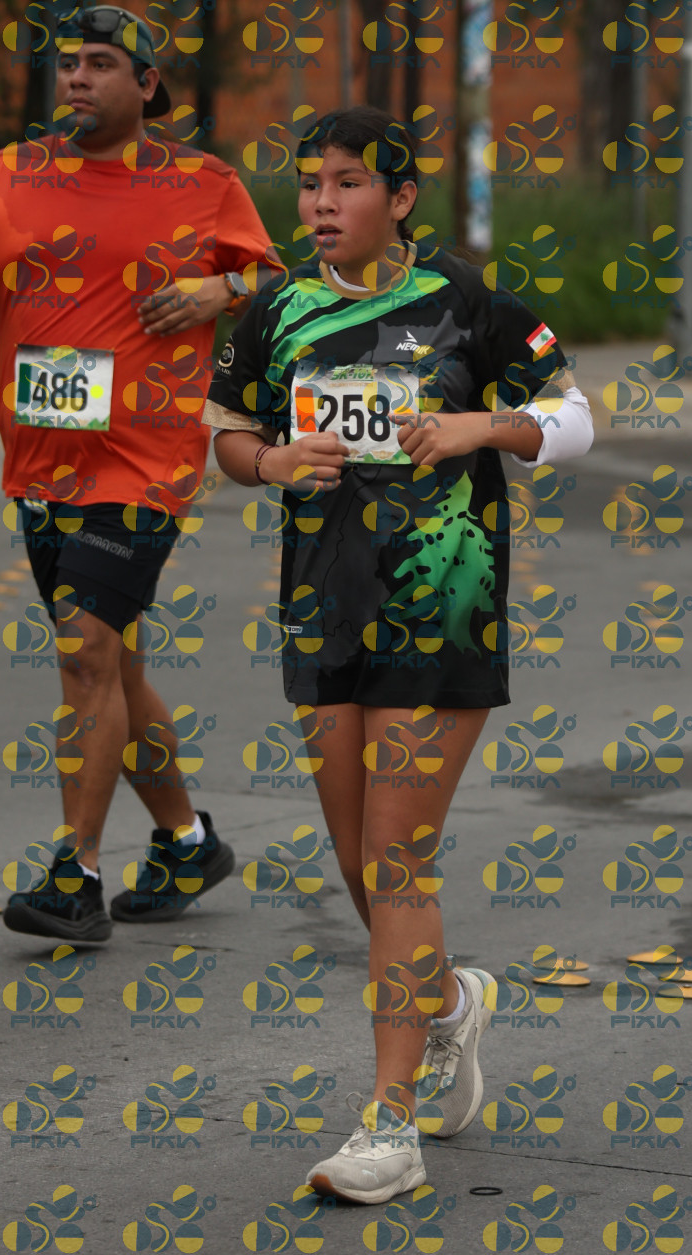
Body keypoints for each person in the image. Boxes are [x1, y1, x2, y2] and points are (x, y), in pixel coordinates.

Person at [203, 106, 593, 1204]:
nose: (321, 203)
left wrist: (482, 427)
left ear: (401, 197)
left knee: (393, 860)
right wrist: (270, 462)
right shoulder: (274, 309)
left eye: (347, 183)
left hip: (444, 606)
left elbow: (576, 418)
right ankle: (453, 1003)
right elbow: (224, 432)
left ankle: (390, 1124)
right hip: (324, 608)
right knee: (357, 862)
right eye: (310, 184)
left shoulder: (465, 300)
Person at [0, 3, 277, 944]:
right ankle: (187, 841)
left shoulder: (204, 182)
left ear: (146, 84)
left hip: (146, 459)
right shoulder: (5, 172)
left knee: (83, 650)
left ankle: (74, 876)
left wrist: (217, 288)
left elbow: (273, 276)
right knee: (112, 664)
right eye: (68, 63)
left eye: (99, 62)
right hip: (40, 461)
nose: (76, 76)